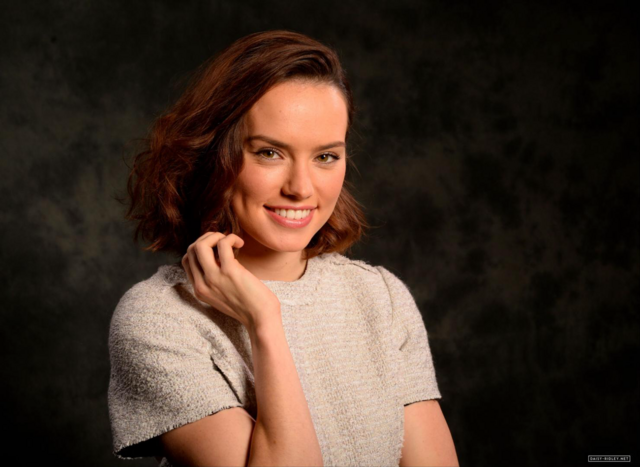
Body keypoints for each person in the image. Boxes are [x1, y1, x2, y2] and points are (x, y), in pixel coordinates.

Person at [108, 30, 459, 467]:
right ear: (214, 154)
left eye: (325, 156)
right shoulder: (159, 320)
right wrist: (264, 321)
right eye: (270, 153)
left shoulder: (380, 297)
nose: (301, 188)